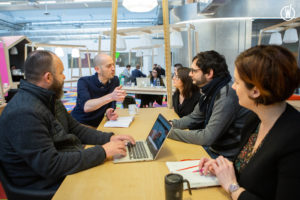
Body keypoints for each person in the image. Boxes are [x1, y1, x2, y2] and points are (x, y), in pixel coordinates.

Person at [0, 50, 135, 194]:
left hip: (61, 171)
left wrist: (109, 138)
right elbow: (51, 165)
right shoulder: (24, 112)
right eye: (61, 72)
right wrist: (103, 151)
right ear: (48, 77)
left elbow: (75, 128)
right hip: (46, 188)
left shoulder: (49, 99)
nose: (64, 76)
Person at [198, 45, 300, 200]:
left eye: (237, 82)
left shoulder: (294, 138)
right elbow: (248, 171)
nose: (233, 87)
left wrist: (233, 188)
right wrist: (222, 169)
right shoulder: (254, 119)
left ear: (255, 91)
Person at [168, 51, 249, 159]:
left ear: (209, 73)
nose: (190, 74)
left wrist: (169, 133)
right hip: (213, 149)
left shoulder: (225, 95)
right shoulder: (210, 91)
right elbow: (194, 117)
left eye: (194, 71)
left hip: (223, 156)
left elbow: (207, 137)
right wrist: (171, 124)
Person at [71, 54, 126, 127]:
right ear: (97, 69)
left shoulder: (114, 80)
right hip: (80, 123)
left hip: (100, 123)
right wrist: (112, 96)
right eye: (109, 66)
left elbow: (111, 104)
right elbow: (86, 107)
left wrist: (109, 111)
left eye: (113, 65)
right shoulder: (83, 81)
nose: (113, 68)